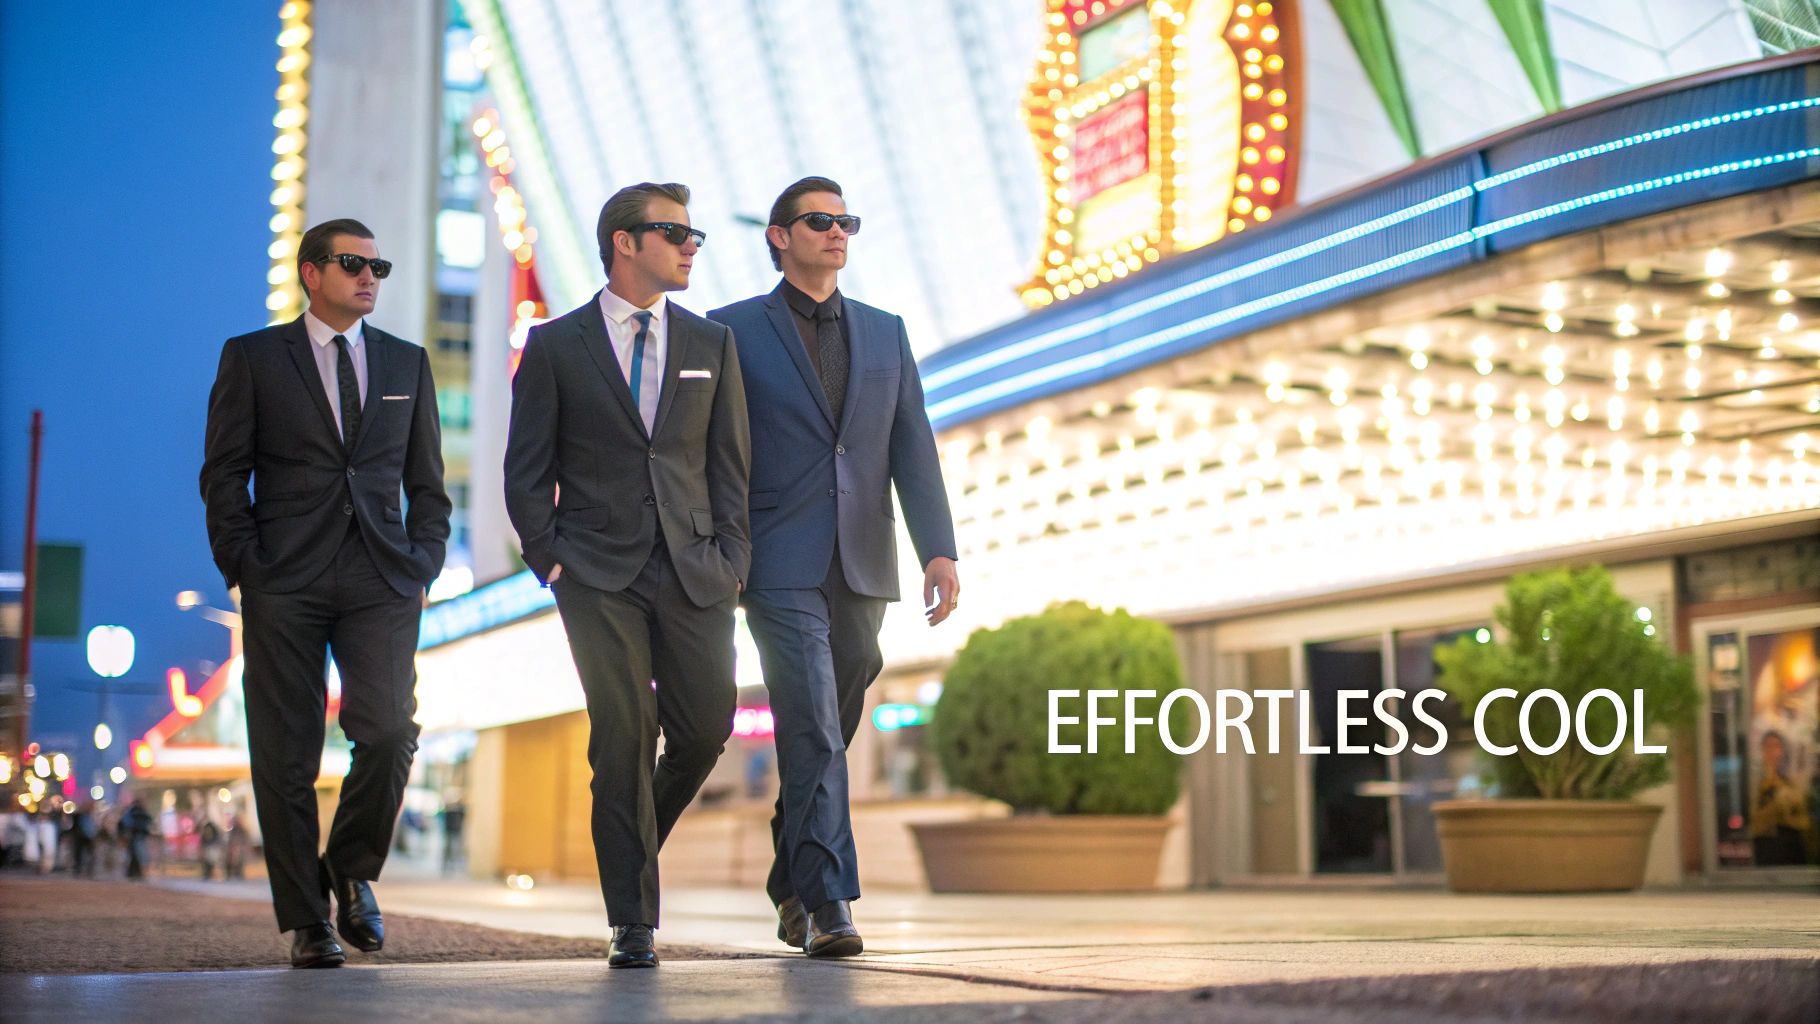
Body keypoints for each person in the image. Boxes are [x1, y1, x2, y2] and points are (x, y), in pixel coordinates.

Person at [708, 177, 958, 957]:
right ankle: (828, 902)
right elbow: (712, 450)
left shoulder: (886, 332)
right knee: (813, 719)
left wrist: (938, 548)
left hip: (862, 556)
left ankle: (791, 870)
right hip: (774, 556)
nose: (837, 231)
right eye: (819, 220)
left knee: (832, 718)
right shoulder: (729, 330)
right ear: (779, 236)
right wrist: (720, 547)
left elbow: (911, 443)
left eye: (845, 220)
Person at [504, 182, 750, 968]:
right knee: (624, 730)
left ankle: (630, 843)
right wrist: (549, 556)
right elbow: (525, 468)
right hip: (595, 571)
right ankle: (632, 920)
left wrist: (733, 560)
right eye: (676, 233)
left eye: (693, 235)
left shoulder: (712, 343)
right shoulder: (555, 345)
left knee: (706, 727)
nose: (690, 247)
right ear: (625, 241)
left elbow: (730, 465)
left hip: (695, 567)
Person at [200, 218, 452, 969]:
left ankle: (349, 868)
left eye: (378, 266)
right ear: (311, 273)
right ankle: (307, 921)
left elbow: (427, 481)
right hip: (285, 577)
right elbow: (224, 473)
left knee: (390, 731)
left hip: (382, 575)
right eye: (352, 264)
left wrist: (423, 561)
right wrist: (244, 565)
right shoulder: (253, 356)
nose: (369, 276)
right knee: (286, 753)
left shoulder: (407, 361)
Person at [119, 796, 154, 880]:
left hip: (135, 836)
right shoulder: (137, 812)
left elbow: (124, 823)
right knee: (140, 855)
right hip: (137, 836)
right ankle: (137, 873)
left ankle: (134, 873)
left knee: (135, 855)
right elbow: (148, 822)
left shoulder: (131, 812)